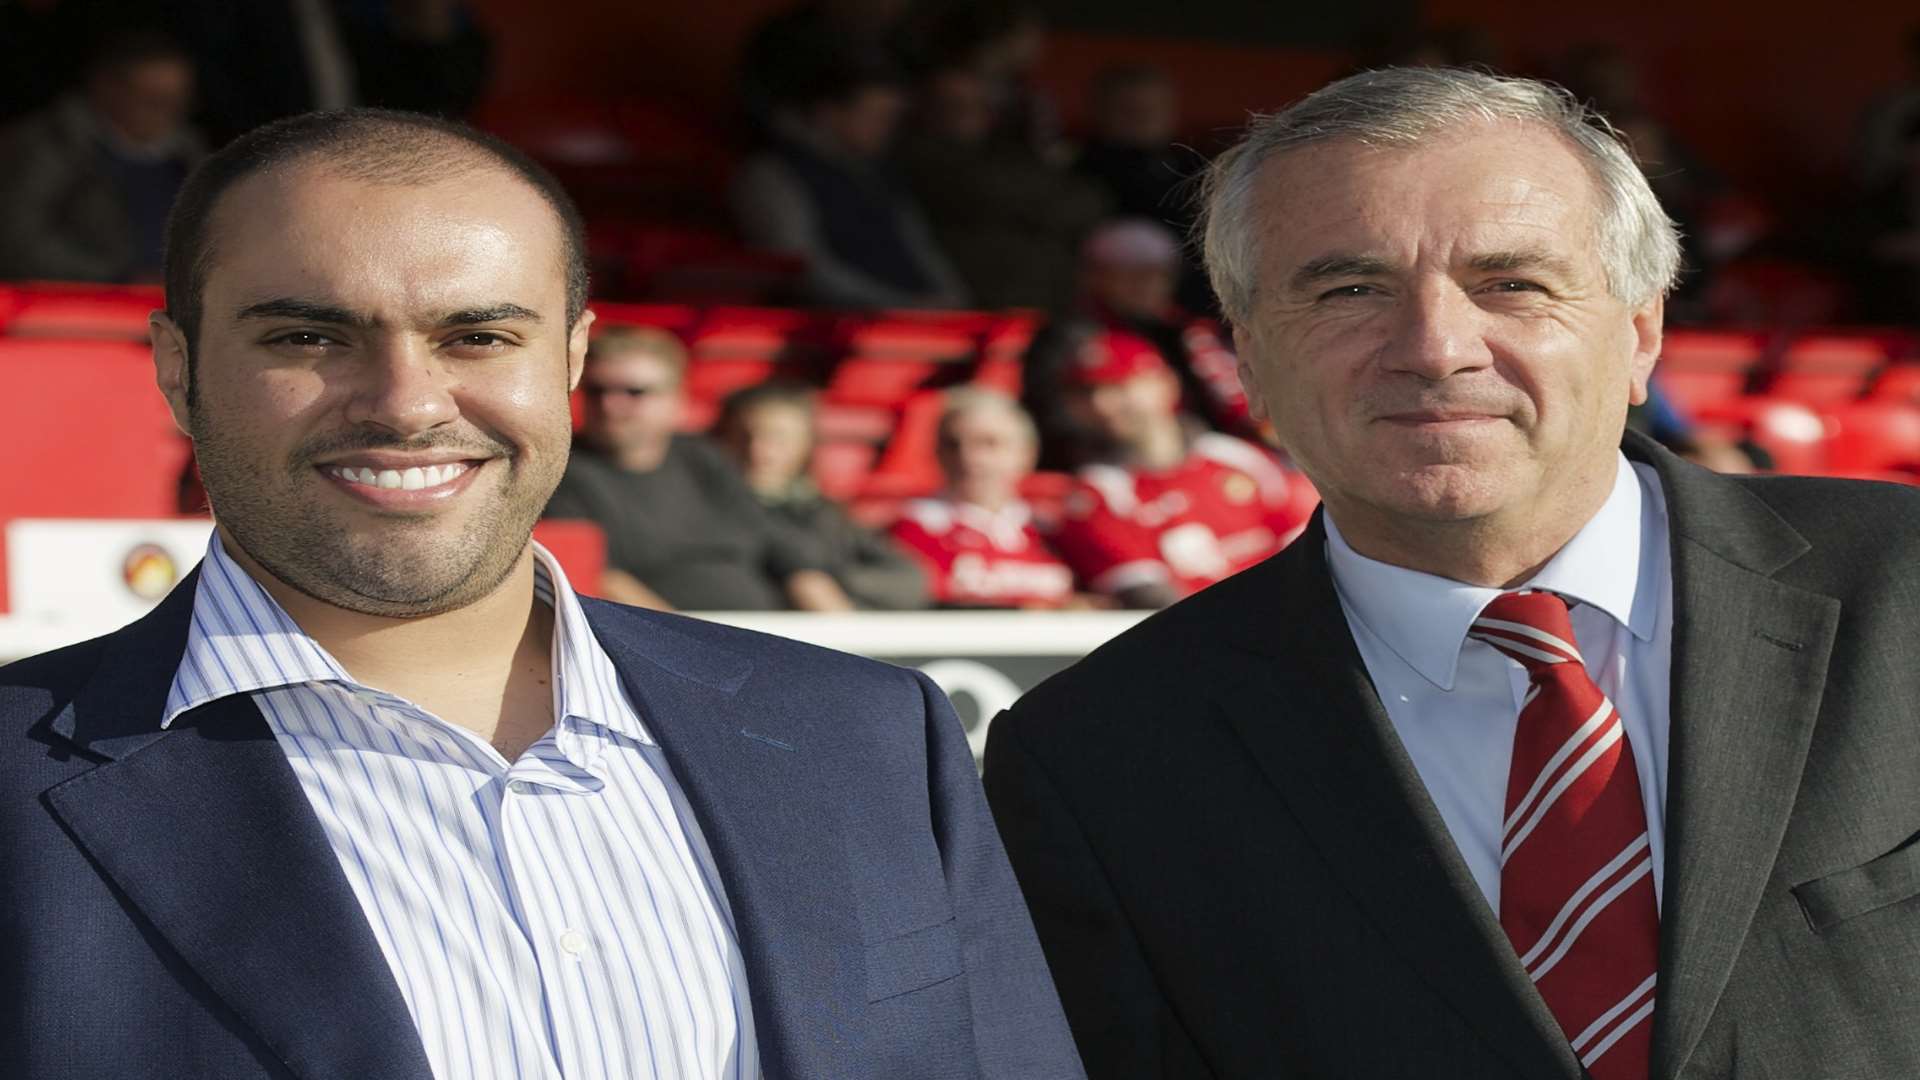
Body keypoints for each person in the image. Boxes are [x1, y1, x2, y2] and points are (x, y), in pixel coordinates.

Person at [0, 107, 1083, 1080]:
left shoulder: (867, 738)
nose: (407, 403)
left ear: (569, 358)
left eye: (478, 336)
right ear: (176, 368)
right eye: (308, 336)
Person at [985, 66, 1920, 1079]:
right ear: (1249, 358)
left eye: (1511, 282)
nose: (1434, 348)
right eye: (1349, 289)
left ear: (1641, 332)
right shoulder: (1098, 758)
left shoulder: (1903, 588)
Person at [544, 328, 854, 612]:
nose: (611, 405)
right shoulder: (561, 472)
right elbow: (600, 577)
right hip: (670, 647)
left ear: (677, 399)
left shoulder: (702, 457)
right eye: (598, 391)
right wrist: (690, 646)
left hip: (765, 634)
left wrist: (836, 620)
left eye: (634, 392)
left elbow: (773, 539)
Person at [1046, 329, 1311, 608]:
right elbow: (1149, 598)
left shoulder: (1241, 459)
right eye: (1086, 394)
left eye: (1119, 386)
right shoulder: (1095, 494)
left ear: (1166, 384)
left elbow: (1312, 551)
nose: (1103, 405)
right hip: (1204, 639)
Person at [731, 55, 969, 309]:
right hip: (836, 326)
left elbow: (919, 245)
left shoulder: (879, 174)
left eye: (892, 119)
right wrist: (901, 306)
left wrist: (950, 297)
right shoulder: (773, 174)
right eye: (876, 116)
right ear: (829, 113)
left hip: (916, 317)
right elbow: (800, 267)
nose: (887, 129)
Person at [896, 64, 1109, 310]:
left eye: (976, 103)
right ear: (925, 109)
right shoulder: (915, 158)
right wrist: (1036, 202)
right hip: (976, 298)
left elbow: (1089, 200)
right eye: (950, 104)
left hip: (1050, 294)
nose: (964, 113)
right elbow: (980, 191)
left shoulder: (1014, 153)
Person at [0, 31, 203, 283]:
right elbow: (18, 238)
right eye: (151, 100)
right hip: (77, 306)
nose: (165, 113)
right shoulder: (54, 144)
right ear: (106, 87)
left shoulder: (188, 153)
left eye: (176, 100)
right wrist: (114, 278)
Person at [713, 380, 930, 610]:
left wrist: (825, 578)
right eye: (743, 435)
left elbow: (909, 581)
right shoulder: (701, 511)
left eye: (778, 437)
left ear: (806, 443)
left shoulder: (825, 514)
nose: (758, 450)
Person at [889, 389, 1078, 609]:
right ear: (937, 453)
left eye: (989, 443)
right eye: (953, 444)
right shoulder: (912, 532)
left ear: (1026, 453)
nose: (968, 457)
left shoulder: (1055, 531)